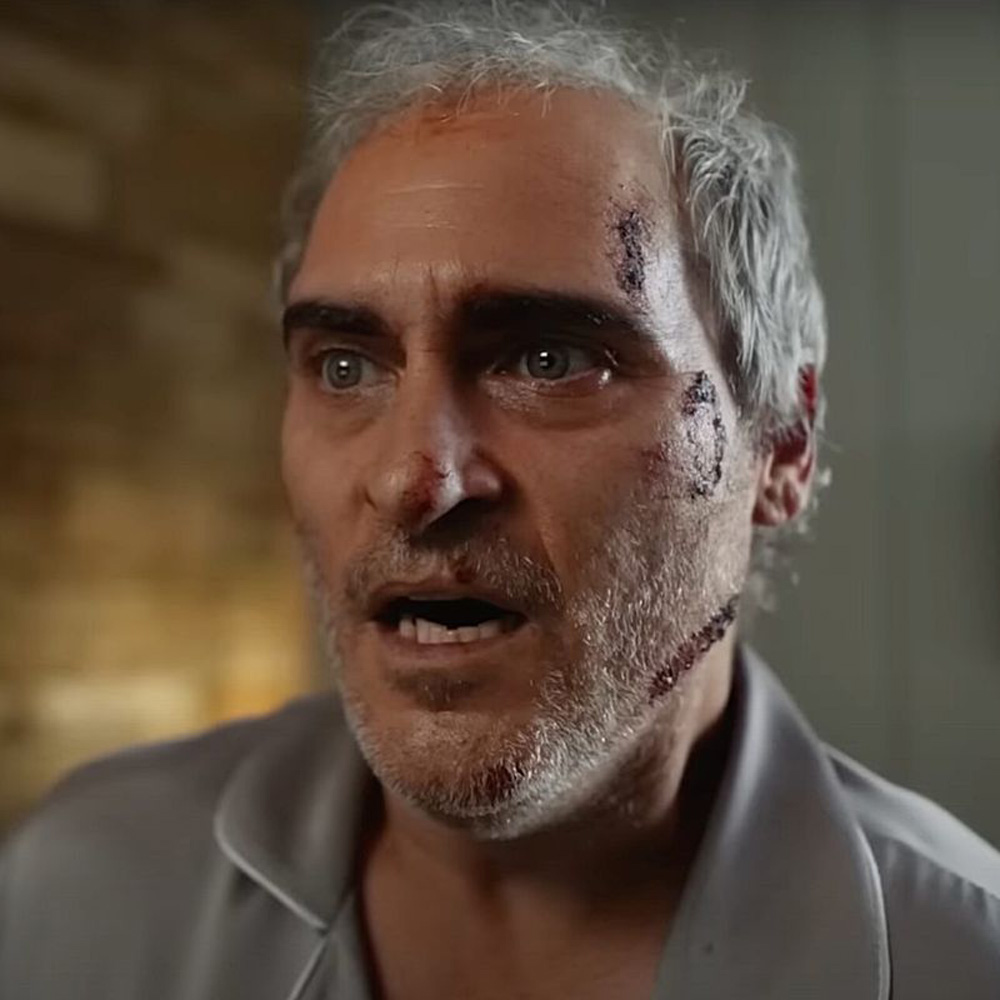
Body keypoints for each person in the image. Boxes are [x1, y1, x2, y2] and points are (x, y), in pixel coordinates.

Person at [2, 2, 999, 998]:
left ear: (781, 440)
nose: (414, 479)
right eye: (347, 365)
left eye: (549, 359)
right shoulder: (81, 888)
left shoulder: (961, 957)